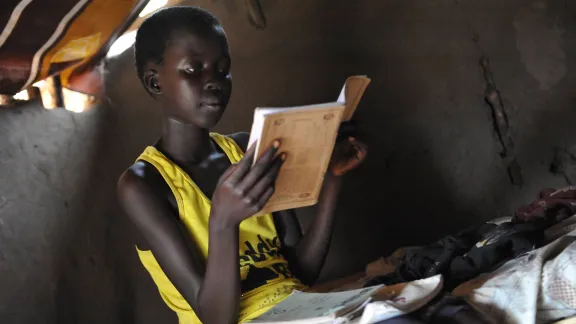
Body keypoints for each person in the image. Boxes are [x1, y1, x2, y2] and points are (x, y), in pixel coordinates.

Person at [117, 6, 367, 324]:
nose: (213, 82)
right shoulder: (143, 185)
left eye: (222, 70)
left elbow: (298, 273)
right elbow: (215, 318)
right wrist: (223, 222)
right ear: (155, 82)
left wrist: (332, 180)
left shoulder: (244, 149)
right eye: (193, 70)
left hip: (302, 314)